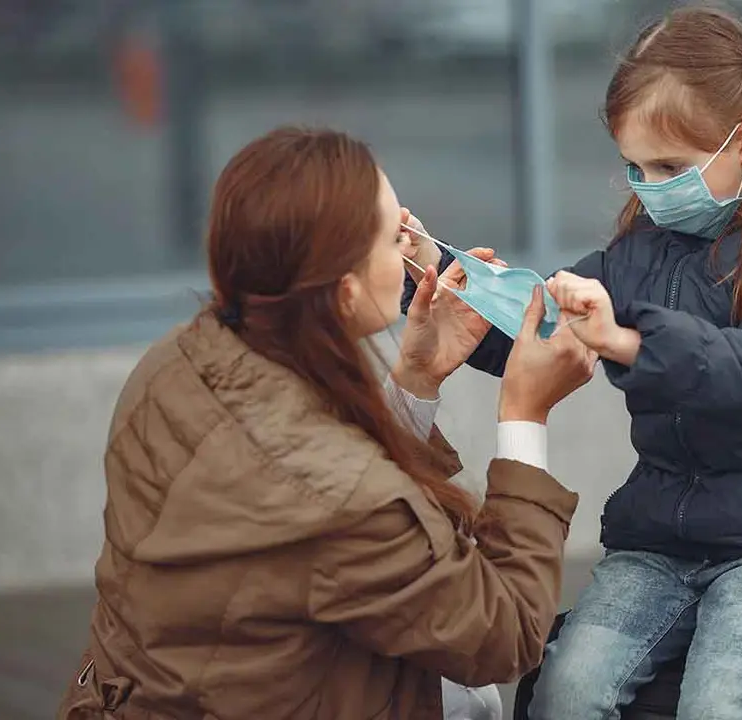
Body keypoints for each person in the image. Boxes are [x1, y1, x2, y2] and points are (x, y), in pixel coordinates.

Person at [402, 7, 742, 719]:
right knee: (563, 693)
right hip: (663, 538)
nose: (650, 187)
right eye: (635, 168)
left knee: (718, 703)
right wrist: (436, 269)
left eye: (670, 167)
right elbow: (541, 324)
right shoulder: (640, 245)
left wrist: (630, 341)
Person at [56, 127, 597, 720]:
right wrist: (525, 414)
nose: (416, 243)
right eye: (396, 236)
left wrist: (415, 378)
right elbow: (504, 635)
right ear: (344, 292)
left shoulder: (176, 363)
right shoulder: (335, 496)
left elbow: (314, 501)